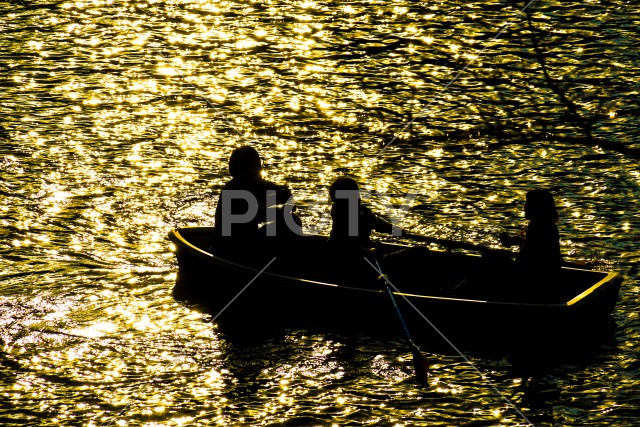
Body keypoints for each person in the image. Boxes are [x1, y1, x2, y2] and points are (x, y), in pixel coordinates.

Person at [212, 146, 301, 259]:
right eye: (255, 166)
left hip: (249, 243)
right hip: (231, 251)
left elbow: (285, 192)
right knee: (292, 221)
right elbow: (256, 215)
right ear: (242, 169)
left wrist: (281, 195)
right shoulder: (232, 191)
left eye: (258, 165)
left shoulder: (256, 184)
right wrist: (282, 210)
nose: (259, 169)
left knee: (292, 220)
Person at [499, 189, 563, 273]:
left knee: (491, 255)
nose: (525, 207)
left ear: (537, 208)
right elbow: (533, 248)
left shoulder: (536, 228)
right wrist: (517, 241)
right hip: (545, 272)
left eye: (528, 204)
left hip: (533, 273)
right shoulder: (550, 227)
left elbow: (524, 259)